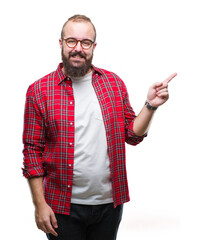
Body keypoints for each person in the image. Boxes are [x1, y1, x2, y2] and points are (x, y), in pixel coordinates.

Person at [22, 14, 177, 240]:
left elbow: (132, 135)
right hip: (61, 207)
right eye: (71, 41)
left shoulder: (113, 83)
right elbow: (32, 152)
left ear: (93, 46)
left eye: (85, 43)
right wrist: (39, 205)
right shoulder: (39, 90)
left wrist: (150, 105)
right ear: (61, 43)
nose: (78, 48)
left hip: (109, 206)